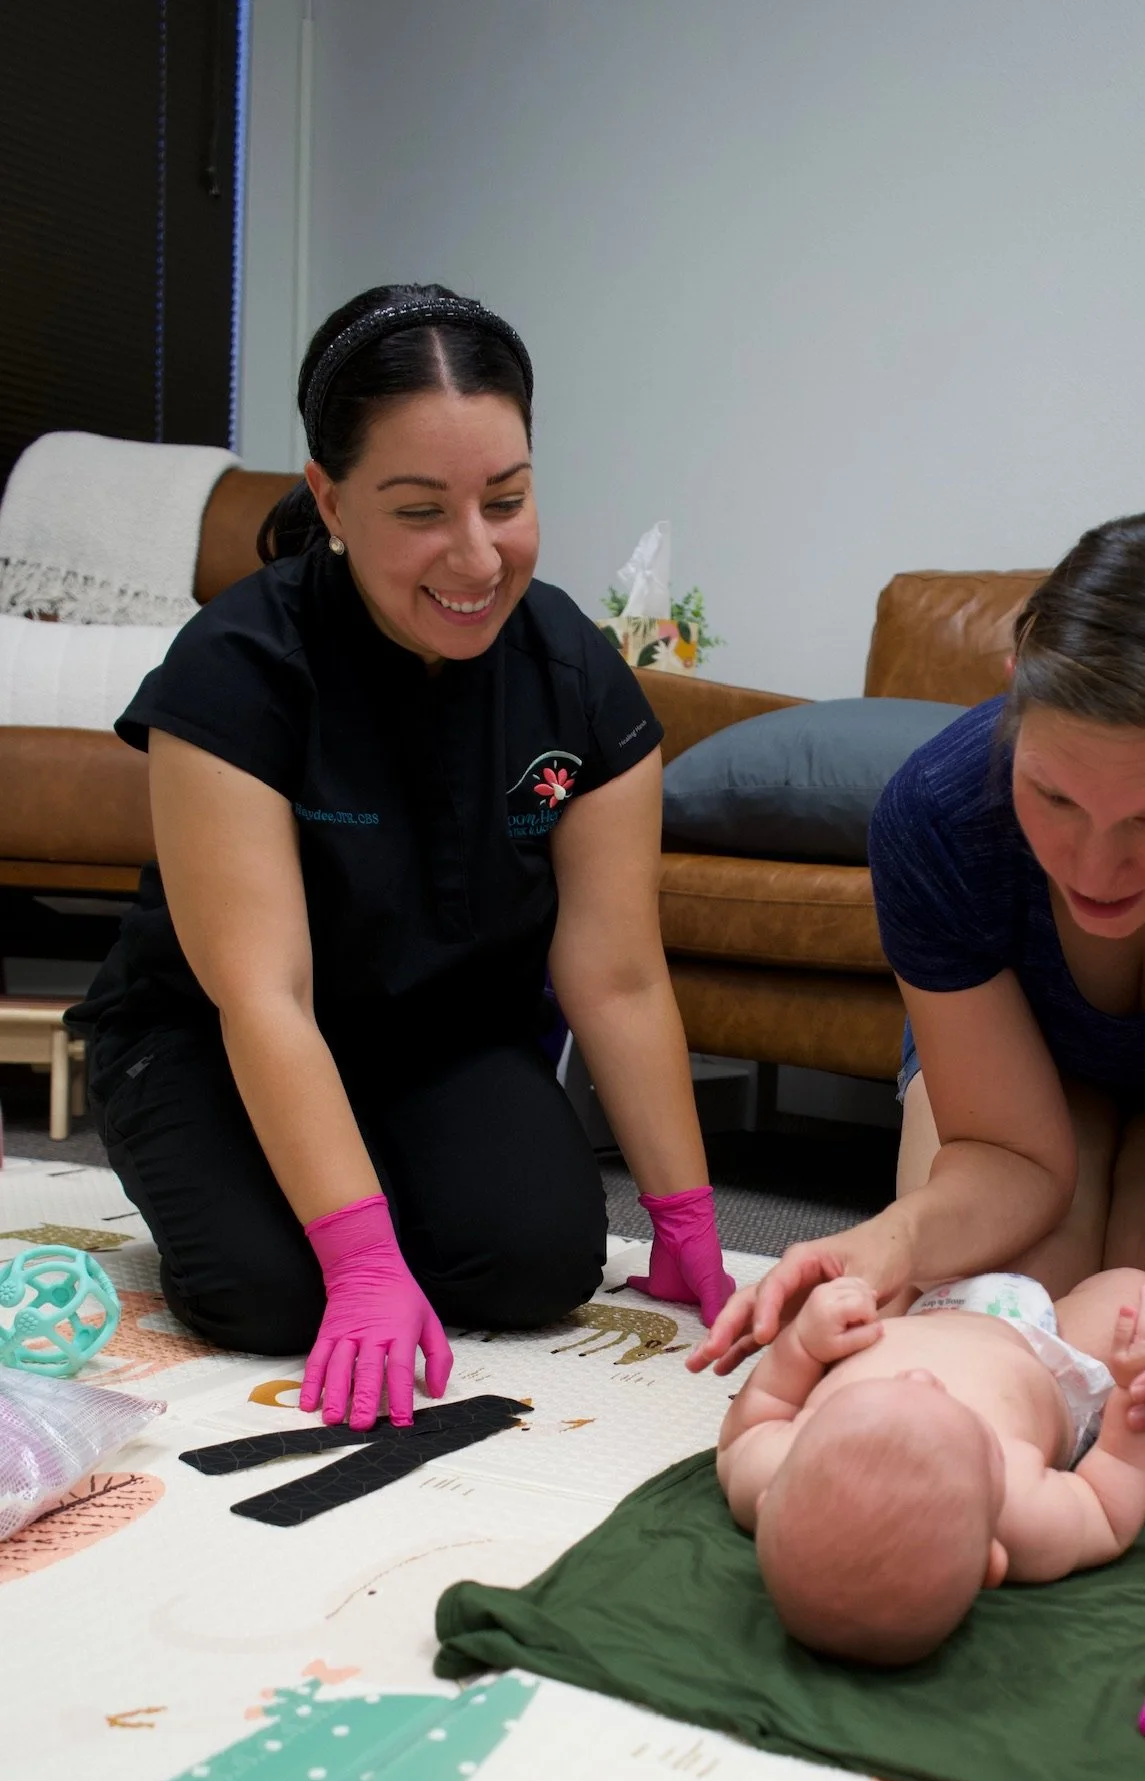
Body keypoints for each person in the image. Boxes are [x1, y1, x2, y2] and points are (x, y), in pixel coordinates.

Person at [74, 284, 731, 1430]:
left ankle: (366, 1179)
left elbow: (617, 974)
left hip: (431, 1037)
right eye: (420, 509)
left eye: (508, 500)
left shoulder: (576, 677)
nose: (476, 556)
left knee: (535, 1264)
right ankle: (303, 1196)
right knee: (271, 1294)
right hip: (212, 1036)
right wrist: (362, 1259)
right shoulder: (237, 670)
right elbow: (263, 995)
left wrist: (685, 1221)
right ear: (329, 498)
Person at [692, 511, 1145, 1464]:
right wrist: (895, 1239)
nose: (1095, 865)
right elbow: (1005, 1153)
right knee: (998, 1321)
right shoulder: (939, 813)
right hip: (1015, 1107)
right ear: (1014, 700)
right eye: (1053, 796)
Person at [717, 1269, 1145, 1665]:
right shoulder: (1020, 1509)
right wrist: (1140, 1394)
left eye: (893, 1385)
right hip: (1041, 1347)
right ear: (994, 1560)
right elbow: (1109, 1504)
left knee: (876, 1273)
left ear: (769, 1503)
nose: (920, 1377)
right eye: (950, 1405)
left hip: (905, 1312)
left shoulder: (772, 1466)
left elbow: (765, 1403)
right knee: (1129, 1286)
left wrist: (802, 1344)